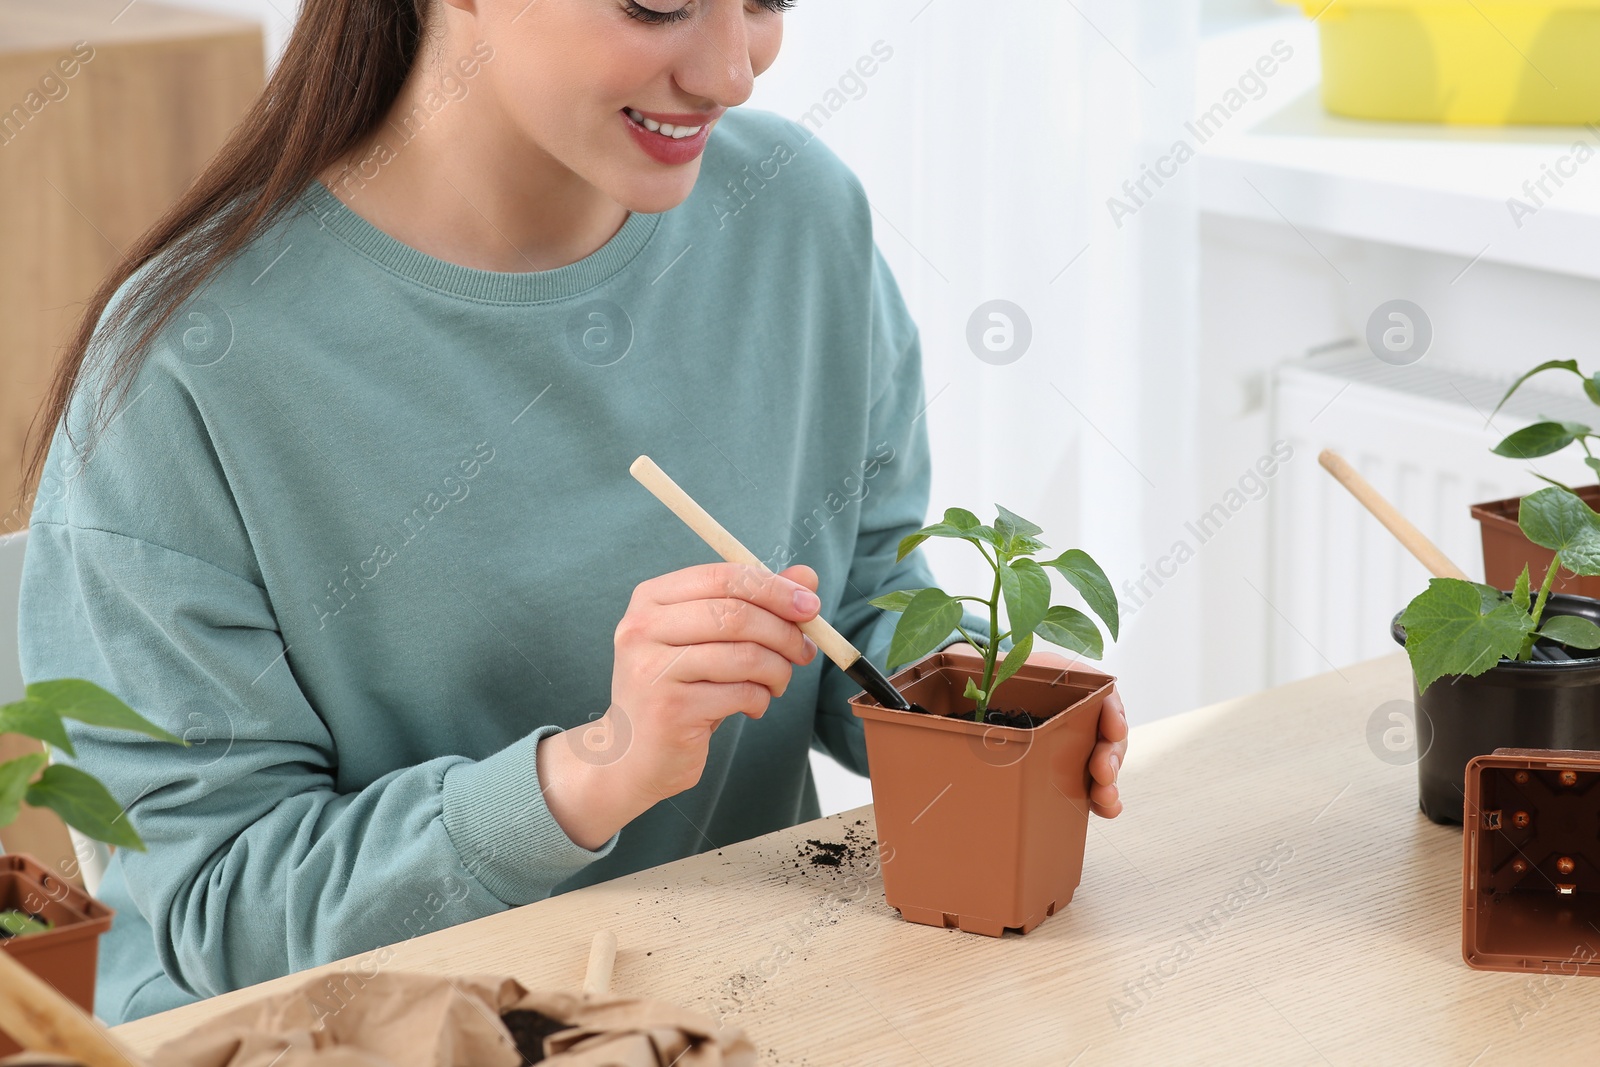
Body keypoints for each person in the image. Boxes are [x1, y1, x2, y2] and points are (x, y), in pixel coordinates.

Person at [19, 0, 1128, 1024]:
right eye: (657, 1)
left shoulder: (797, 213)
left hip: (737, 1009)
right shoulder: (187, 368)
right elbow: (216, 907)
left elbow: (866, 584)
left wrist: (974, 704)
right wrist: (589, 771)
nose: (731, 69)